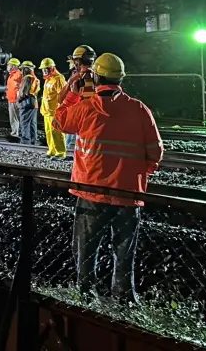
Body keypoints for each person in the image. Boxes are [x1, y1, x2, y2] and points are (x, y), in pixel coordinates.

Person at [53, 53, 163, 303]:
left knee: (85, 249)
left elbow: (59, 122)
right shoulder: (138, 109)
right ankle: (123, 300)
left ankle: (85, 297)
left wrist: (72, 90)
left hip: (91, 191)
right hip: (127, 194)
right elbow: (155, 151)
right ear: (120, 78)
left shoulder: (86, 107)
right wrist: (139, 176)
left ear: (97, 76)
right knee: (124, 253)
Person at [40, 58, 68, 159]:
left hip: (55, 111)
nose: (43, 72)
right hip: (47, 111)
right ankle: (52, 150)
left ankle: (60, 152)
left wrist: (60, 110)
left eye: (45, 69)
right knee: (49, 132)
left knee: (57, 132)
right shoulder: (48, 79)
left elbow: (63, 95)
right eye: (43, 70)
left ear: (52, 68)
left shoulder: (58, 78)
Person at [17, 61, 40, 145]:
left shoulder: (27, 78)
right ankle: (33, 140)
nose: (21, 71)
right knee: (32, 123)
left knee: (24, 122)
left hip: (26, 103)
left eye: (22, 69)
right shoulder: (35, 78)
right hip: (34, 103)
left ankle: (25, 141)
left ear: (26, 69)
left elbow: (23, 92)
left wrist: (19, 100)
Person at [5, 58, 22, 141]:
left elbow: (20, 87)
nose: (8, 66)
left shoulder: (18, 74)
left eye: (9, 64)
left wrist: (18, 98)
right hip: (11, 99)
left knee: (15, 117)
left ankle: (15, 134)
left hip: (15, 99)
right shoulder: (11, 75)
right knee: (15, 118)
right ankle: (16, 133)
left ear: (14, 66)